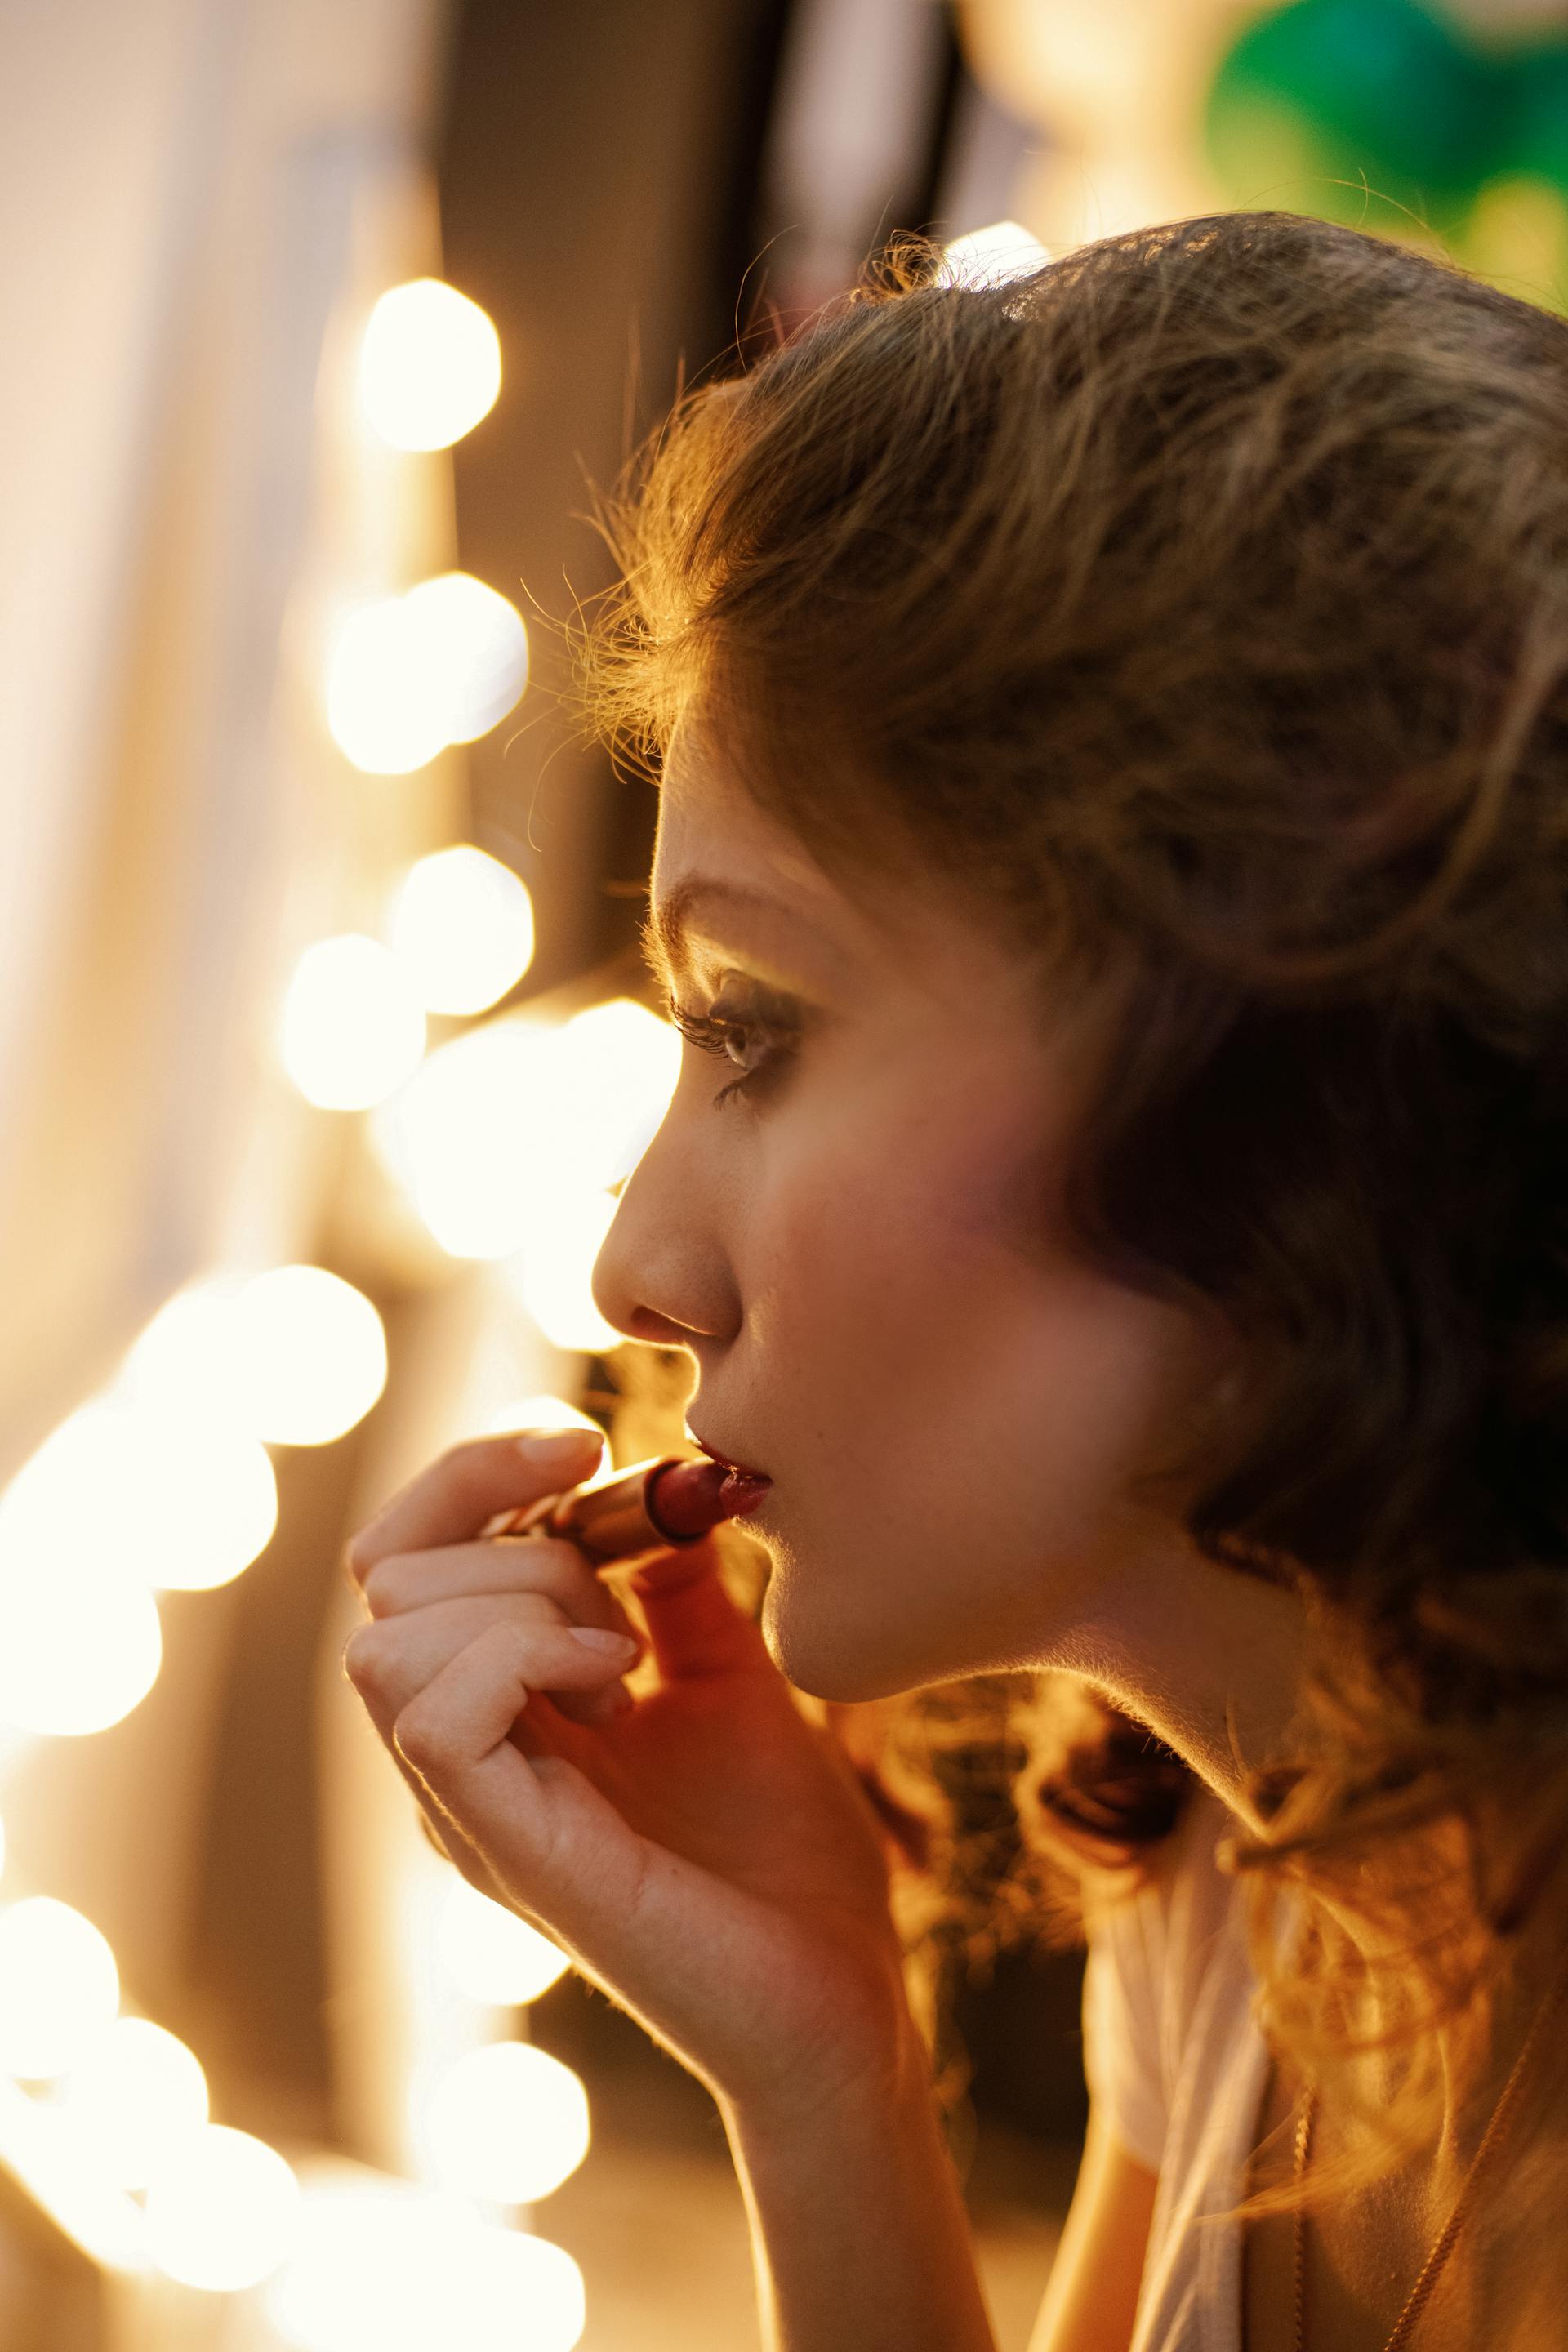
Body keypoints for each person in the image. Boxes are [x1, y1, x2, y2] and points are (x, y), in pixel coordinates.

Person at [341, 211, 1568, 2350]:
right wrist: (820, 2070)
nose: (641, 1274)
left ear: (1273, 1035)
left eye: (760, 1023)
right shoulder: (1249, 1903)